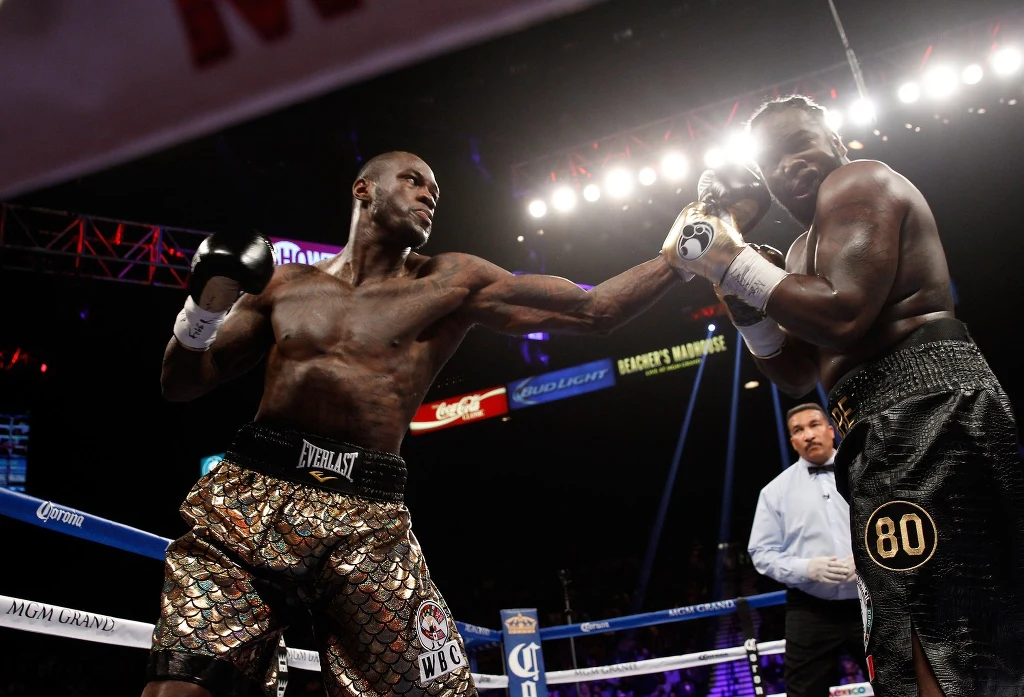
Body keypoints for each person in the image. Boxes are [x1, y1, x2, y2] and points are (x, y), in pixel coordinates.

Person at [143, 151, 683, 697]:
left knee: (431, 691)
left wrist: (680, 256)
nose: (429, 195)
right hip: (250, 498)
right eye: (413, 181)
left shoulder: (451, 282)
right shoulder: (283, 285)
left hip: (367, 514)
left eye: (436, 192)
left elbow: (593, 311)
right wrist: (204, 311)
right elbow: (183, 383)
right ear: (364, 190)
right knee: (184, 685)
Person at [661, 95, 1024, 697]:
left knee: (936, 622)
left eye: (801, 143)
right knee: (925, 626)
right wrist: (738, 291)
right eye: (774, 160)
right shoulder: (803, 251)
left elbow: (845, 314)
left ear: (837, 142)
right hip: (876, 427)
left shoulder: (861, 181)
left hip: (927, 407)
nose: (791, 165)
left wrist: (732, 257)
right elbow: (799, 373)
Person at [748, 402, 867, 697]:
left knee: (899, 683)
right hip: (811, 607)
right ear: (792, 441)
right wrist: (806, 568)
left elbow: (890, 524)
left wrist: (867, 560)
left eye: (814, 425)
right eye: (798, 430)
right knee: (803, 691)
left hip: (870, 600)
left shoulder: (867, 472)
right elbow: (761, 553)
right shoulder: (774, 492)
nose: (808, 435)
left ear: (831, 430)